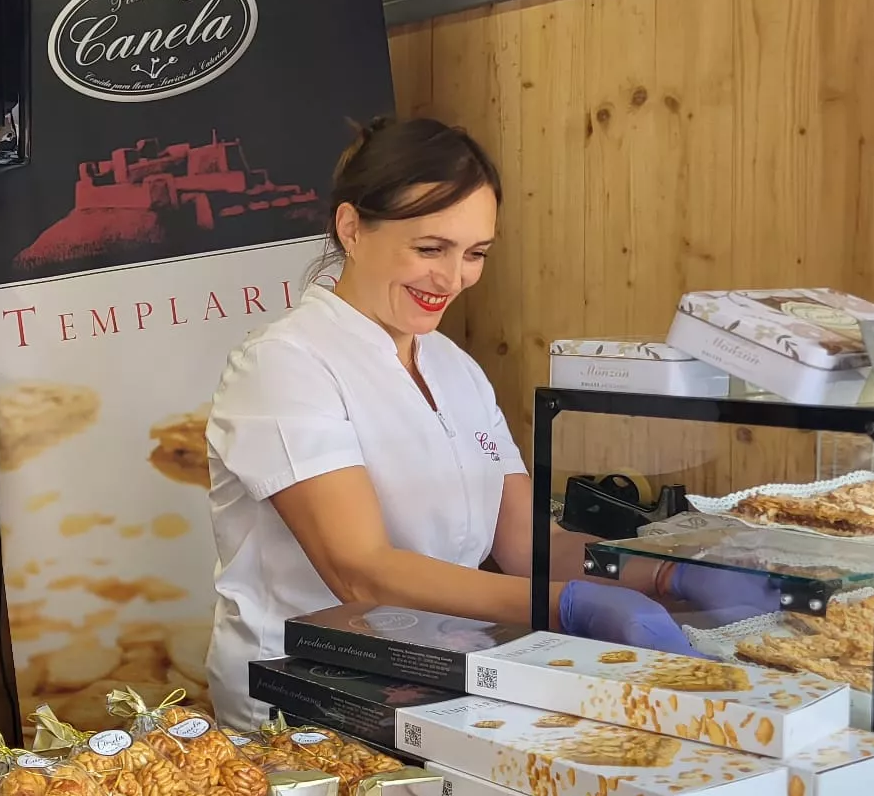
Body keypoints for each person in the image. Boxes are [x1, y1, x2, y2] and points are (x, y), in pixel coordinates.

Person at [201, 117, 770, 728]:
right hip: (304, 698)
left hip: (440, 677)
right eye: (430, 248)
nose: (453, 279)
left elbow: (530, 545)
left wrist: (666, 575)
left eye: (474, 254)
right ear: (351, 228)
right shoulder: (284, 364)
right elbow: (361, 572)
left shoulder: (455, 368)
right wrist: (566, 607)